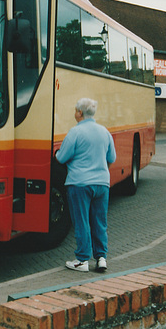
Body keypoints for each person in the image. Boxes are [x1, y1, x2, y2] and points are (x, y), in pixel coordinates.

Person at [55, 98, 116, 273]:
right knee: (99, 221)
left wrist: (59, 153)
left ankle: (82, 260)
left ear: (80, 113)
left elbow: (61, 157)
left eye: (76, 110)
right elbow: (111, 158)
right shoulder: (105, 132)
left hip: (79, 183)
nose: (75, 113)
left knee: (82, 222)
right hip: (102, 184)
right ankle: (101, 258)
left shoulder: (75, 132)